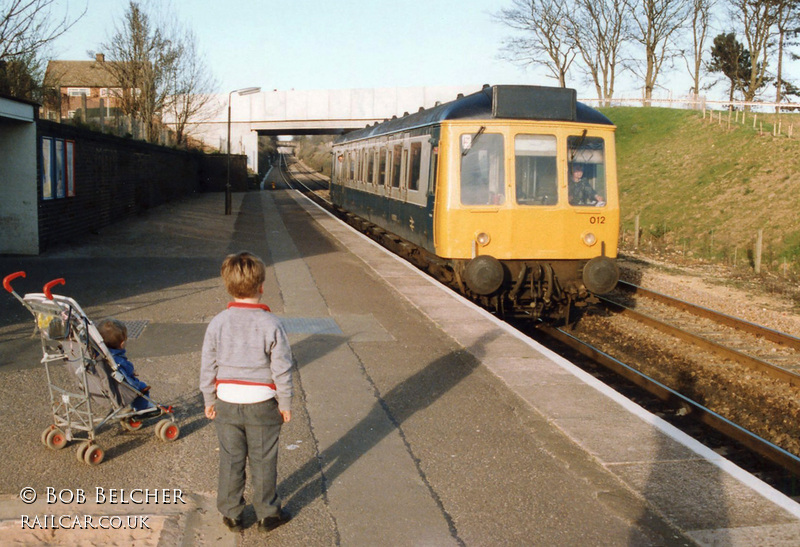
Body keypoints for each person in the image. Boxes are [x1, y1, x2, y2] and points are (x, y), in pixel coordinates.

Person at [200, 251, 294, 534]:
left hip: (227, 402)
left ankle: (231, 514)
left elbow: (208, 364)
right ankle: (267, 514)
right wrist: (285, 402)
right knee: (264, 460)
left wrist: (208, 398)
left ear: (228, 286)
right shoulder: (272, 324)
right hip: (262, 403)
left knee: (231, 459)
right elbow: (282, 368)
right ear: (262, 287)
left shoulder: (218, 322)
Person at [97, 318, 153, 412]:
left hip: (104, 385)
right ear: (122, 343)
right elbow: (128, 376)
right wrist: (132, 375)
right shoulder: (118, 360)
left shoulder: (100, 355)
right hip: (119, 387)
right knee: (142, 387)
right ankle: (142, 409)